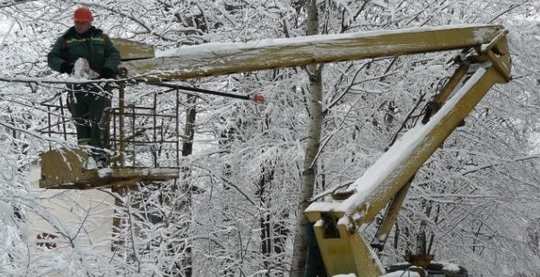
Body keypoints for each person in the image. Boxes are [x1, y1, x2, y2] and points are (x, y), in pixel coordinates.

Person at [47, 6, 120, 168]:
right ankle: (85, 154)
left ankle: (99, 155)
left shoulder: (101, 38)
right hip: (78, 87)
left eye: (83, 23)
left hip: (99, 85)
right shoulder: (66, 39)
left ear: (90, 22)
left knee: (97, 119)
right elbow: (52, 57)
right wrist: (64, 66)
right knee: (80, 120)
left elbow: (114, 55)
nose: (80, 25)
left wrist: (109, 69)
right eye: (77, 22)